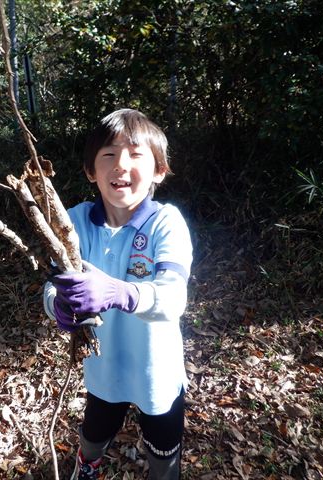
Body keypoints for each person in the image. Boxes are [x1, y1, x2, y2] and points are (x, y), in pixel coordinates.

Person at [43, 109, 193, 479]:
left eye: (136, 154)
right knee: (95, 431)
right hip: (103, 367)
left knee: (164, 445)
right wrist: (56, 304)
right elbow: (52, 285)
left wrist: (122, 293)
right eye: (108, 155)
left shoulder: (165, 223)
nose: (120, 165)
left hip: (156, 371)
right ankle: (88, 463)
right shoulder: (73, 221)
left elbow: (173, 297)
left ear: (160, 170)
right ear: (91, 171)